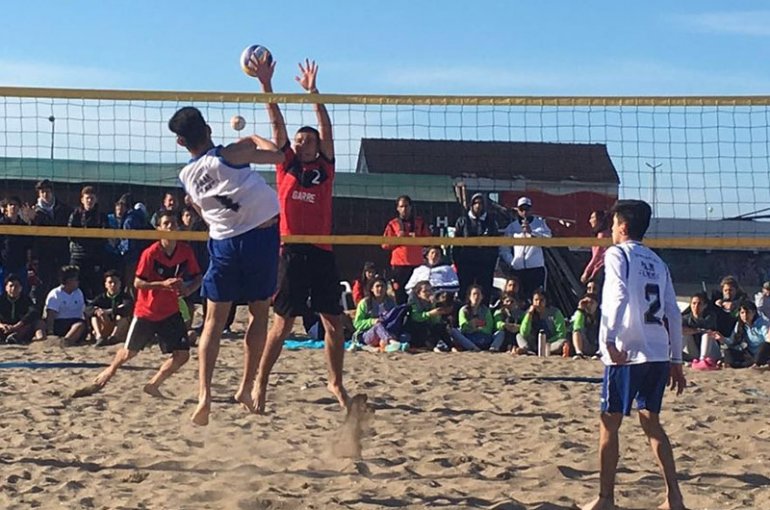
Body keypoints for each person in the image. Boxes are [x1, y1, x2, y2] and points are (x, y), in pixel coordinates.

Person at [169, 103, 282, 426]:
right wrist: (255, 137)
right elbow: (278, 156)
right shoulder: (230, 154)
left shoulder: (186, 176)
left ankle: (204, 395)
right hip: (258, 239)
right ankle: (245, 388)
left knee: (212, 323)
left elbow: (204, 214)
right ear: (208, 130)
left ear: (181, 143)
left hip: (222, 243)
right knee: (259, 313)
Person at [252, 57, 349, 413]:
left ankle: (335, 380)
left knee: (334, 325)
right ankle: (261, 380)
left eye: (309, 140)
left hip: (322, 251)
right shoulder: (286, 164)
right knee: (283, 323)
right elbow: (276, 122)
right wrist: (266, 84)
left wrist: (313, 93)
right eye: (300, 139)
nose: (304, 143)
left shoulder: (325, 165)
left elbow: (326, 126)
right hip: (291, 251)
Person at [580, 199, 686, 510]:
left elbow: (618, 296)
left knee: (608, 424)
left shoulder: (617, 254)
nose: (610, 230)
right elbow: (673, 314)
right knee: (651, 422)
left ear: (623, 228)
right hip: (657, 353)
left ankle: (605, 499)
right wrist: (677, 361)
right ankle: (674, 498)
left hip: (626, 352)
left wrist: (610, 340)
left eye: (612, 225)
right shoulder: (658, 261)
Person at [93, 211, 202, 395]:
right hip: (147, 312)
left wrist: (189, 289)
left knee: (182, 355)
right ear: (158, 228)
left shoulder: (185, 251)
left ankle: (153, 384)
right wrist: (163, 284)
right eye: (166, 223)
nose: (170, 227)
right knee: (129, 353)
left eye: (173, 223)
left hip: (170, 311)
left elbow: (198, 276)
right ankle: (109, 371)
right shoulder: (150, 253)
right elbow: (137, 283)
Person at [499, 196, 552, 299]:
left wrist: (532, 233)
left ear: (531, 210)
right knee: (518, 298)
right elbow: (504, 247)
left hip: (535, 269)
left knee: (537, 297)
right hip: (518, 269)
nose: (524, 212)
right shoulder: (512, 227)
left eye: (527, 209)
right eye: (521, 209)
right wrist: (511, 261)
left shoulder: (540, 224)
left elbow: (548, 242)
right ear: (518, 210)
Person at [382, 195, 431, 304]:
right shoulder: (393, 224)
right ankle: (402, 319)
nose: (404, 209)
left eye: (406, 206)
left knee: (419, 295)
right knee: (400, 296)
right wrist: (398, 239)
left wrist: (416, 238)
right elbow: (384, 244)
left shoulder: (420, 222)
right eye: (401, 206)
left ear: (411, 207)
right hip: (399, 266)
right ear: (397, 208)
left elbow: (429, 241)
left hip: (417, 266)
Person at [30, 179, 73, 304]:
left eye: (47, 191)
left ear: (52, 192)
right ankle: (41, 311)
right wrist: (30, 220)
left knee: (62, 281)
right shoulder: (34, 212)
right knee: (43, 283)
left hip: (62, 252)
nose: (45, 194)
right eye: (42, 192)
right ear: (39, 194)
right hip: (44, 254)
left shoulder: (65, 209)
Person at [453, 193, 499, 303]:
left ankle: (484, 315)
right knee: (464, 290)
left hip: (485, 264)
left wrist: (492, 261)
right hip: (466, 263)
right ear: (471, 205)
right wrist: (457, 261)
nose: (478, 206)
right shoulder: (462, 221)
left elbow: (496, 243)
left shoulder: (491, 222)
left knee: (485, 291)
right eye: (475, 203)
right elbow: (455, 243)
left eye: (481, 203)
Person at [68, 186, 108, 300]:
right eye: (87, 198)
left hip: (95, 257)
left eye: (92, 198)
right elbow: (71, 236)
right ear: (82, 200)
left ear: (96, 199)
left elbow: (105, 238)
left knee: (96, 287)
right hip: (78, 256)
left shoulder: (101, 216)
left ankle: (95, 310)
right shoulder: (75, 214)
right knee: (75, 285)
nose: (89, 201)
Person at [352, 276, 401, 351]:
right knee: (378, 326)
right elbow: (357, 323)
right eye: (377, 286)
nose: (380, 289)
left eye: (382, 286)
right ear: (372, 289)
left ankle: (386, 346)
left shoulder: (390, 302)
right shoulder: (364, 303)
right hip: (367, 334)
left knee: (404, 336)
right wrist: (372, 321)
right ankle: (391, 342)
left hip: (386, 330)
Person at [514, 288, 567, 355]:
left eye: (541, 300)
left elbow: (561, 333)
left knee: (562, 342)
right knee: (519, 336)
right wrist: (529, 315)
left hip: (549, 343)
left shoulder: (555, 313)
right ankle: (527, 350)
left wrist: (547, 342)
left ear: (546, 301)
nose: (538, 303)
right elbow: (524, 332)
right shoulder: (529, 313)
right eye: (536, 300)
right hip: (533, 343)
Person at [403, 281, 454, 351]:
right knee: (422, 326)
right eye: (425, 291)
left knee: (440, 326)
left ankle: (451, 346)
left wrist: (434, 307)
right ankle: (431, 347)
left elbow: (435, 322)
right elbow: (416, 317)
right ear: (419, 294)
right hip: (415, 329)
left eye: (430, 290)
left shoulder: (431, 302)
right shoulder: (413, 302)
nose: (428, 293)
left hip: (428, 327)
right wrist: (430, 313)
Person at [89, 269, 134, 347]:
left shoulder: (125, 297)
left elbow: (127, 308)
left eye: (115, 282)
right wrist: (97, 311)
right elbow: (88, 308)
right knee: (95, 316)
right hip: (105, 325)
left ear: (120, 284)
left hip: (119, 327)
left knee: (120, 317)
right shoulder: (101, 297)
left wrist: (109, 311)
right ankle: (99, 337)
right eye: (110, 282)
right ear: (106, 284)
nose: (113, 285)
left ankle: (114, 338)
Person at [719, 300, 770, 369]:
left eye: (748, 312)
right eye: (742, 313)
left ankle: (757, 364)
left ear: (754, 312)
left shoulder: (763, 323)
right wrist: (722, 338)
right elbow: (732, 341)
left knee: (764, 345)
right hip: (750, 355)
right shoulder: (740, 324)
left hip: (764, 354)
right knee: (728, 351)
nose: (745, 315)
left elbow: (768, 340)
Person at [44, 265, 87, 346]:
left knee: (80, 325)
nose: (78, 282)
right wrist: (50, 332)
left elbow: (83, 311)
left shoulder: (79, 292)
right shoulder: (55, 294)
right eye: (76, 279)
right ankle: (65, 342)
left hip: (76, 322)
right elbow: (51, 314)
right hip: (60, 323)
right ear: (69, 280)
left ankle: (67, 340)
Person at [0, 196, 33, 294]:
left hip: (20, 265)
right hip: (4, 265)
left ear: (19, 208)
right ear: (6, 208)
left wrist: (29, 262)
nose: (13, 207)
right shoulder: (1, 224)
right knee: (2, 293)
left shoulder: (24, 225)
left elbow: (29, 245)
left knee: (22, 292)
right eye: (11, 204)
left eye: (16, 205)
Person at [450, 285, 495, 351]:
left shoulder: (486, 310)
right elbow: (463, 326)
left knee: (500, 333)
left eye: (478, 294)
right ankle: (473, 348)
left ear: (482, 297)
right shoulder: (464, 310)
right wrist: (471, 326)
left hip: (483, 337)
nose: (476, 297)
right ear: (469, 296)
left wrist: (478, 329)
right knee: (453, 331)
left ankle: (494, 348)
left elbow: (489, 327)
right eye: (474, 294)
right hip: (468, 337)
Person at [680, 291, 720, 367]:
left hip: (711, 351)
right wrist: (698, 330)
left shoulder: (710, 317)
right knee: (684, 335)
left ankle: (703, 360)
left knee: (707, 334)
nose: (696, 306)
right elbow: (682, 330)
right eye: (694, 303)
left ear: (705, 306)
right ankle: (674, 358)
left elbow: (708, 330)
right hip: (694, 351)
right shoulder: (686, 319)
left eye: (699, 304)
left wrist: (694, 330)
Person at [0, 273, 42, 344]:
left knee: (38, 322)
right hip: (4, 327)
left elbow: (33, 312)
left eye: (16, 286)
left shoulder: (26, 300)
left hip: (20, 328)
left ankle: (40, 341)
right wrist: (1, 325)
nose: (13, 288)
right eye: (11, 286)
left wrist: (17, 326)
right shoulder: (1, 300)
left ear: (21, 288)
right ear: (6, 288)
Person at [580, 210, 611, 285]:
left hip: (601, 270)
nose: (590, 220)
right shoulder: (606, 234)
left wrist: (586, 272)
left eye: (592, 217)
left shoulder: (602, 236)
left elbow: (597, 257)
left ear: (600, 220)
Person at [570, 292, 600, 359]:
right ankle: (579, 352)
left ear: (597, 304)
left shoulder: (601, 315)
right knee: (576, 331)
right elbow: (576, 326)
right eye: (587, 302)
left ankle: (599, 353)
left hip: (597, 345)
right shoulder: (580, 314)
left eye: (591, 303)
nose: (589, 305)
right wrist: (580, 309)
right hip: (586, 344)